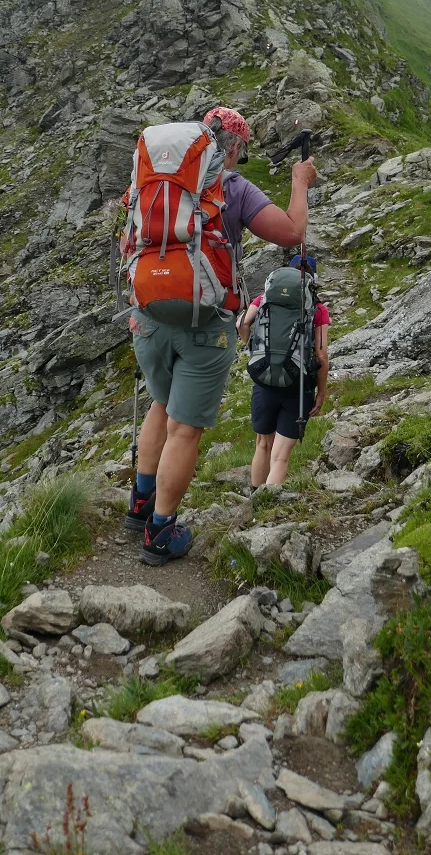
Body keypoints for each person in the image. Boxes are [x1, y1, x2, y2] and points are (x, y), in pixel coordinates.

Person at [125, 106, 318, 565]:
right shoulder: (233, 187)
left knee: (160, 404)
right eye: (241, 150)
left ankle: (139, 505)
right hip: (204, 322)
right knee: (185, 428)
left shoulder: (152, 183)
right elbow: (291, 234)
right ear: (232, 148)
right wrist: (299, 183)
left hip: (148, 315)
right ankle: (160, 533)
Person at [240, 255, 330, 487]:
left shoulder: (264, 298)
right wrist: (321, 392)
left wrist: (254, 348)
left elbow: (242, 324)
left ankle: (255, 500)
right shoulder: (318, 310)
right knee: (280, 456)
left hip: (265, 378)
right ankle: (268, 505)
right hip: (299, 385)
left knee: (262, 444)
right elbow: (321, 355)